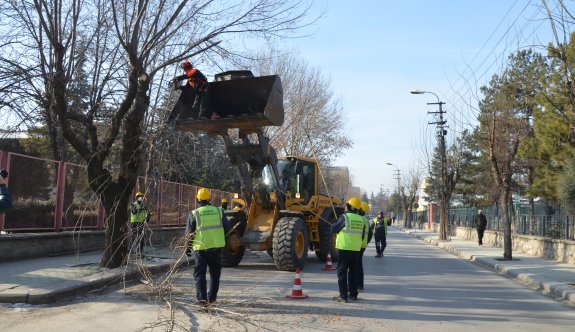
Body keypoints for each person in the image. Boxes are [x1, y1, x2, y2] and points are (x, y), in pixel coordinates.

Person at [185, 188, 231, 306]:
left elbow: (190, 233)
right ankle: (212, 300)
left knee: (200, 275)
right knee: (215, 275)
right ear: (209, 199)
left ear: (198, 199)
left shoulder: (194, 213)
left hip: (201, 250)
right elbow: (227, 229)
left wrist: (187, 247)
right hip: (216, 249)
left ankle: (202, 301)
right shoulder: (219, 211)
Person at [331, 197, 364, 303]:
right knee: (353, 272)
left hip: (345, 248)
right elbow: (362, 235)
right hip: (356, 249)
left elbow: (334, 229)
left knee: (342, 272)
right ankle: (353, 295)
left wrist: (335, 222)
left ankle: (343, 296)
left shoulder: (345, 217)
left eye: (347, 205)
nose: (345, 207)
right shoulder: (361, 219)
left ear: (350, 206)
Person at [357, 201, 373, 292]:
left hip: (356, 245)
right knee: (359, 265)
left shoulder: (359, 219)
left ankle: (354, 284)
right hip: (362, 246)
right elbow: (370, 234)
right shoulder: (366, 220)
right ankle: (360, 285)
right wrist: (365, 243)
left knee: (354, 266)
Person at [129, 192, 148, 257]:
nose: (141, 198)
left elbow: (145, 215)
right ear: (136, 198)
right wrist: (141, 209)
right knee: (134, 237)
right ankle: (129, 251)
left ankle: (140, 252)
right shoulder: (133, 204)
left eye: (142, 196)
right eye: (139, 196)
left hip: (141, 223)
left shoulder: (143, 205)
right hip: (134, 223)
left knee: (141, 238)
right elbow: (134, 212)